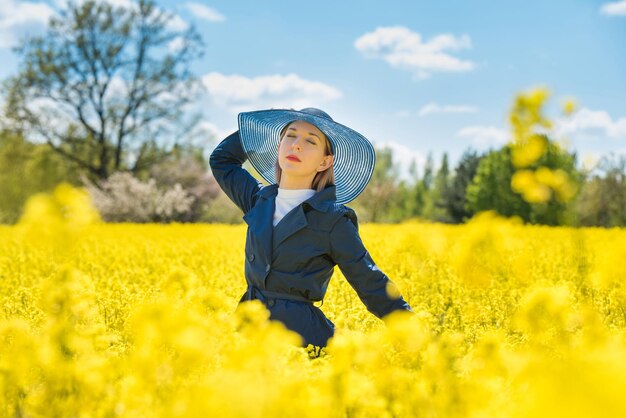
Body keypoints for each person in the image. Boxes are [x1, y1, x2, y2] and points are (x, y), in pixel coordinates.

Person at [209, 107, 414, 349]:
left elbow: (369, 281)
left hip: (302, 341)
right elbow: (221, 161)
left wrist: (415, 335)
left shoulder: (333, 220)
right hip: (247, 331)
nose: (296, 145)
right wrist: (257, 131)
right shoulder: (257, 199)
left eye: (310, 141)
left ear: (325, 162)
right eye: (290, 136)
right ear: (279, 147)